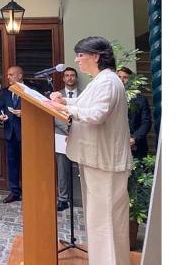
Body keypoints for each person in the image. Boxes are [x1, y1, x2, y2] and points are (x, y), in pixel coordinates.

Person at [47, 36, 132, 265]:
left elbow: (96, 114)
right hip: (96, 160)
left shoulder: (107, 82)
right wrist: (64, 103)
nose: (77, 60)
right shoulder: (100, 80)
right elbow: (86, 106)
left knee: (106, 222)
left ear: (95, 56)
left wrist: (64, 109)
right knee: (99, 221)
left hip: (105, 162)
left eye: (81, 55)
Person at [0, 66, 24, 204]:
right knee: (12, 164)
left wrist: (24, 114)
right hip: (10, 133)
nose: (8, 77)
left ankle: (30, 190)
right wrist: (1, 116)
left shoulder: (29, 91)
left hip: (26, 134)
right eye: (7, 75)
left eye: (11, 74)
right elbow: (0, 108)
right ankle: (14, 192)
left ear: (20, 76)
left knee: (27, 164)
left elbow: (37, 111)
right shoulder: (6, 92)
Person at [54, 67, 79, 212]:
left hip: (80, 135)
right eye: (67, 76)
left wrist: (74, 131)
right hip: (62, 135)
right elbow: (55, 116)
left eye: (72, 75)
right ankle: (63, 199)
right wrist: (68, 130)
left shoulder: (83, 95)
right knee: (62, 168)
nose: (70, 78)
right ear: (63, 79)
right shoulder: (57, 96)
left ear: (76, 78)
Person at [116, 67, 152, 159]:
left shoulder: (141, 100)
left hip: (137, 145)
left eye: (125, 77)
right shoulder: (110, 97)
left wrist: (134, 139)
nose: (122, 80)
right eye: (119, 77)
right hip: (115, 145)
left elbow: (146, 122)